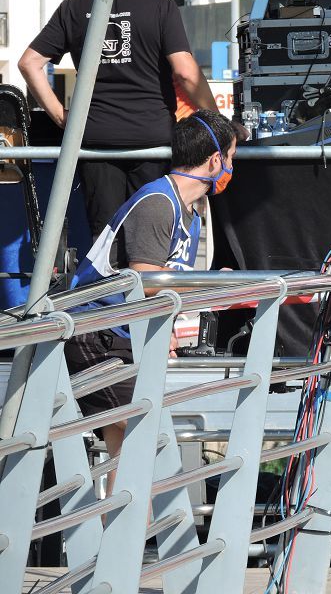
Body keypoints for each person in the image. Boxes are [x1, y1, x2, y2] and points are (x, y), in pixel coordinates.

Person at [64, 109, 236, 489]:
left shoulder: (188, 214)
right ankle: (120, 541)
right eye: (231, 158)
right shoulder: (159, 202)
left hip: (122, 336)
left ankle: (120, 543)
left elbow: (162, 288)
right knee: (143, 440)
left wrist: (169, 326)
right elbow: (148, 281)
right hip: (97, 334)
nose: (231, 169)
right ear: (215, 160)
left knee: (127, 457)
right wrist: (211, 285)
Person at [19, 0, 218, 240]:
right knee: (150, 238)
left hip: (96, 141)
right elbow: (185, 71)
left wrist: (61, 117)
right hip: (151, 141)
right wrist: (214, 119)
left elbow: (29, 63)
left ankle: (109, 290)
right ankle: (144, 291)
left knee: (105, 240)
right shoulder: (161, 6)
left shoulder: (76, 4)